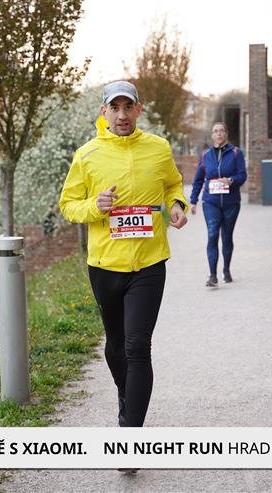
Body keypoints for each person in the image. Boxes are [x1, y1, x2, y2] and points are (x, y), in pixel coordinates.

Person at [59, 81, 188, 430]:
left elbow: (173, 184)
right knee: (116, 347)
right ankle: (126, 395)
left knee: (138, 346)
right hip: (105, 266)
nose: (122, 115)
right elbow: (68, 205)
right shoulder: (87, 155)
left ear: (138, 110)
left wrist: (177, 204)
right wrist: (95, 205)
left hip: (149, 263)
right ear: (103, 112)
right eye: (114, 108)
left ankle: (131, 433)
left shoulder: (158, 148)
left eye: (128, 107)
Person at [189, 122, 247, 287]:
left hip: (231, 202)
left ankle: (226, 270)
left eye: (222, 131)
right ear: (212, 135)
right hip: (211, 202)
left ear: (226, 134)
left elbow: (242, 175)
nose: (219, 133)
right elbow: (198, 179)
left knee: (227, 237)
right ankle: (213, 275)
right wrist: (193, 200)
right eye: (215, 131)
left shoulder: (236, 153)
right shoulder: (205, 155)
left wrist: (231, 180)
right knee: (212, 234)